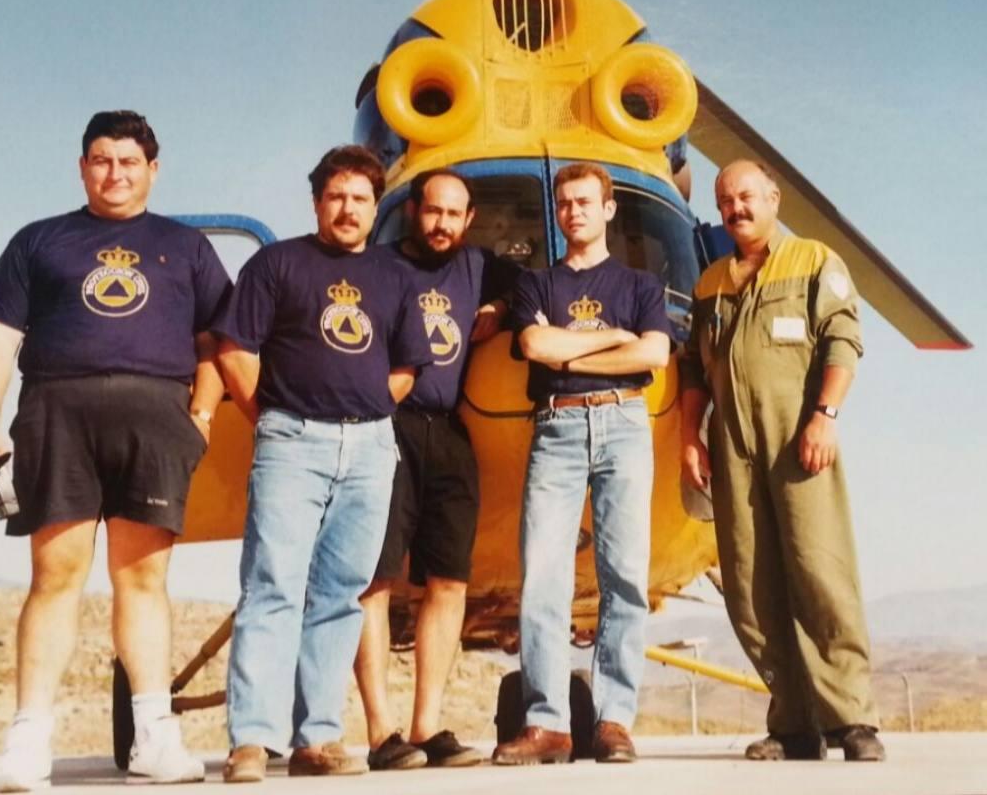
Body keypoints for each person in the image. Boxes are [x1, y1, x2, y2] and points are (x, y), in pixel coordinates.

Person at [0, 111, 231, 790]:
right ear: (83, 165)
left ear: (153, 169)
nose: (115, 173)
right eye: (102, 159)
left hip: (155, 418)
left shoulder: (186, 245)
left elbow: (217, 344)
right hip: (57, 411)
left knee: (143, 579)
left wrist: (199, 412)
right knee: (55, 575)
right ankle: (27, 742)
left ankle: (153, 734)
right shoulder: (39, 240)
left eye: (129, 161)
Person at [214, 145, 431, 782]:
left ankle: (317, 738)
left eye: (361, 199)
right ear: (316, 203)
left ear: (376, 207)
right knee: (273, 586)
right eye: (336, 196)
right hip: (291, 442)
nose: (347, 208)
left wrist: (359, 414)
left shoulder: (395, 277)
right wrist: (278, 419)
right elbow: (235, 352)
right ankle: (252, 739)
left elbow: (405, 368)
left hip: (370, 450)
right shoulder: (276, 265)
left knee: (341, 595)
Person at [679, 159, 885, 762]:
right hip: (731, 446)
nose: (734, 208)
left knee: (820, 571)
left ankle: (851, 718)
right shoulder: (710, 281)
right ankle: (794, 721)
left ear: (774, 197)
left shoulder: (814, 260)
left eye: (746, 196)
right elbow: (694, 366)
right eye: (724, 200)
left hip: (798, 438)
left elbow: (843, 339)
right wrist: (691, 436)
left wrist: (826, 416)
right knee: (748, 585)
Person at [492, 162, 671, 766]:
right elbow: (535, 346)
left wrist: (576, 345)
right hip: (557, 424)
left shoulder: (641, 285)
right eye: (565, 202)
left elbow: (657, 353)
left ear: (608, 208)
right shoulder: (536, 285)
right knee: (543, 573)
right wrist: (613, 339)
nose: (574, 212)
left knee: (624, 573)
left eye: (585, 201)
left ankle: (614, 720)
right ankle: (547, 723)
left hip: (623, 423)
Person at [354, 169, 518, 770]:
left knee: (449, 580)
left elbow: (528, 284)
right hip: (385, 425)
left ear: (468, 219)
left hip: (447, 431)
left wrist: (500, 306)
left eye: (454, 214)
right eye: (432, 212)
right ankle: (380, 731)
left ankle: (427, 727)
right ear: (413, 212)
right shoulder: (377, 266)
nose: (441, 224)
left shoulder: (478, 266)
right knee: (375, 578)